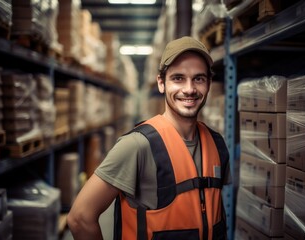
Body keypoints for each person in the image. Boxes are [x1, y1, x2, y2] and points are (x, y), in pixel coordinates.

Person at [67, 36, 231, 240]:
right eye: (178, 78)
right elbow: (80, 217)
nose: (189, 89)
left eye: (198, 78)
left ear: (208, 83)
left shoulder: (216, 143)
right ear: (161, 83)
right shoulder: (137, 145)